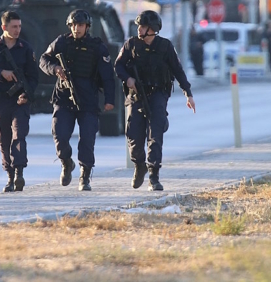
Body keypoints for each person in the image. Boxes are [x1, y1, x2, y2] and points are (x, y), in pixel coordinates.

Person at [115, 10, 196, 191]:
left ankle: (154, 174)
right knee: (134, 134)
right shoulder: (131, 45)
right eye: (139, 26)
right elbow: (118, 66)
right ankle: (139, 165)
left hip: (158, 94)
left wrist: (188, 93)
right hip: (136, 95)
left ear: (152, 29)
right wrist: (128, 79)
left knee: (155, 135)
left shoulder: (165, 47)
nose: (139, 30)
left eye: (143, 26)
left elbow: (178, 70)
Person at [39, 10, 116, 191]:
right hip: (64, 98)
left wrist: (109, 99)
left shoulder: (97, 47)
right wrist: (55, 68)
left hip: (88, 99)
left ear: (87, 27)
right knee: (60, 134)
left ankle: (85, 174)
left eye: (80, 25)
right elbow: (43, 60)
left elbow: (107, 76)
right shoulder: (61, 42)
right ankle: (66, 163)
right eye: (74, 25)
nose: (76, 29)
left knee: (87, 139)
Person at [0, 11, 39, 193]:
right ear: (4, 28)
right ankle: (10, 176)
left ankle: (19, 173)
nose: (17, 30)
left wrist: (27, 95)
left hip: (20, 99)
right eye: (14, 26)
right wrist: (0, 73)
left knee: (18, 134)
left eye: (19, 26)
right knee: (3, 138)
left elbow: (34, 77)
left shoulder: (25, 49)